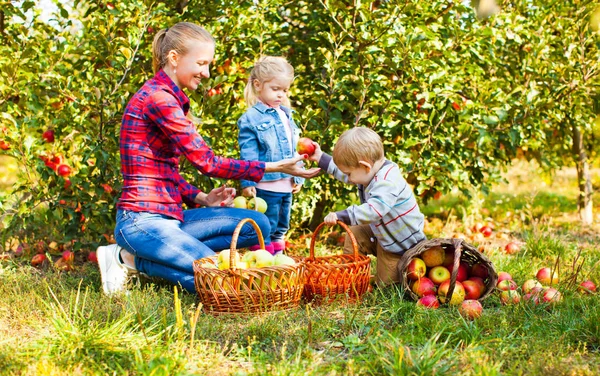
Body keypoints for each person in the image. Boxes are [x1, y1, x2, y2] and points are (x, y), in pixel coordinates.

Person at [95, 22, 320, 296]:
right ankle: (129, 258)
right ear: (174, 58)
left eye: (209, 64)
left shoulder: (169, 98)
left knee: (258, 225)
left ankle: (132, 259)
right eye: (201, 63)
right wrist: (272, 167)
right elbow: (207, 162)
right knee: (223, 281)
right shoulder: (158, 99)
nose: (207, 72)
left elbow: (164, 172)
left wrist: (202, 199)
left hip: (170, 217)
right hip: (141, 221)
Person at [308, 127, 426, 286]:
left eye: (350, 174)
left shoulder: (387, 181)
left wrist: (341, 215)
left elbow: (374, 210)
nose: (348, 178)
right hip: (383, 234)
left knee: (386, 286)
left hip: (400, 247)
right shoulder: (368, 172)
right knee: (355, 233)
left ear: (365, 166)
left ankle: (392, 277)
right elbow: (345, 171)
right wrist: (321, 158)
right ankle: (349, 276)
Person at [237, 56, 304, 255]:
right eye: (275, 89)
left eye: (284, 90)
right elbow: (248, 153)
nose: (281, 95)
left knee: (282, 226)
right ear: (258, 85)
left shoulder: (286, 113)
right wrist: (248, 183)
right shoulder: (251, 118)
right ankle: (263, 260)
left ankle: (278, 259)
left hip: (286, 184)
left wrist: (298, 176)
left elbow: (294, 148)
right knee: (266, 226)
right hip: (265, 185)